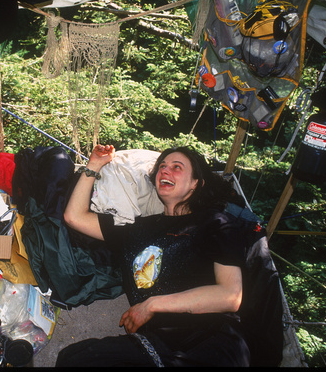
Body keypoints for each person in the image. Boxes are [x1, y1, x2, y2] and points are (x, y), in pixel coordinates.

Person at [56, 144, 251, 367]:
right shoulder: (138, 229)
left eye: (177, 167)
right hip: (158, 341)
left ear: (196, 183)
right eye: (162, 167)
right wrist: (94, 165)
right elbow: (74, 217)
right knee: (72, 358)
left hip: (209, 340)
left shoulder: (215, 223)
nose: (165, 171)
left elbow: (230, 296)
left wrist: (151, 305)